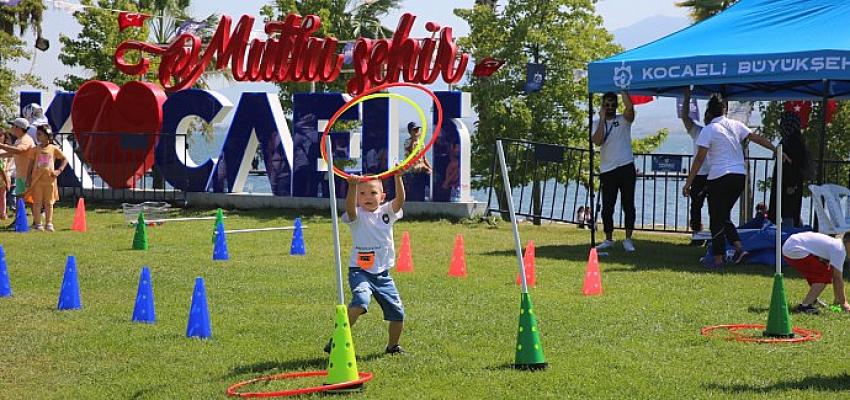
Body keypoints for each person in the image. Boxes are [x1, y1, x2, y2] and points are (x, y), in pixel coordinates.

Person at [683, 94, 787, 268]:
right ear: (724, 109)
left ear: (709, 112)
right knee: (723, 216)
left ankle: (718, 259)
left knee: (716, 219)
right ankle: (740, 249)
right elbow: (757, 138)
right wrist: (776, 150)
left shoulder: (709, 129)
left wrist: (689, 182)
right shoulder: (736, 125)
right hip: (738, 176)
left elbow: (700, 159)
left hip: (719, 177)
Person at [324, 172, 407, 355]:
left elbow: (400, 200)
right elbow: (350, 208)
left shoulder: (387, 212)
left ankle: (393, 347)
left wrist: (398, 177)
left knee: (398, 313)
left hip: (382, 274)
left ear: (382, 196)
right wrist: (352, 186)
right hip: (359, 271)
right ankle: (337, 339)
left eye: (373, 193)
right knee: (361, 301)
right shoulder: (356, 215)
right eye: (362, 194)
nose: (367, 197)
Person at [592, 91, 636, 252]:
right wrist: (602, 119)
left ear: (617, 105)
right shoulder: (597, 122)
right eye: (607, 104)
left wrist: (622, 89)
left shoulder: (623, 120)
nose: (610, 107)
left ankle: (628, 239)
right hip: (608, 169)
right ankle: (608, 239)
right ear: (602, 106)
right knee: (607, 207)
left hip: (626, 166)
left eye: (612, 104)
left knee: (628, 204)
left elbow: (630, 109)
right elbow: (597, 141)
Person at [782, 231, 850, 314]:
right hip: (794, 249)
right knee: (824, 275)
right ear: (848, 243)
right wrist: (843, 303)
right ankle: (805, 306)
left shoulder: (837, 244)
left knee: (821, 271)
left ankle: (812, 299)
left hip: (791, 245)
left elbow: (835, 276)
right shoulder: (840, 250)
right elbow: (837, 278)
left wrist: (838, 300)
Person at [768, 112, 810, 228]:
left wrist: (792, 184)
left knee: (788, 212)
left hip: (790, 183)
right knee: (786, 211)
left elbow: (796, 164)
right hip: (785, 181)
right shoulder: (789, 139)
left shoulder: (794, 141)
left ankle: (788, 235)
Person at [24, 125, 67, 231]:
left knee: (49, 203)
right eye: (37, 134)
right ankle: (38, 224)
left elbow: (64, 159)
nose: (37, 136)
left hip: (50, 181)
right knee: (37, 202)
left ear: (47, 135)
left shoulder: (53, 148)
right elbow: (30, 165)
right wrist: (28, 178)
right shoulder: (35, 149)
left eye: (40, 134)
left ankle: (49, 223)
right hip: (37, 180)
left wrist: (59, 170)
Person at [681, 88, 709, 237]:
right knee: (696, 206)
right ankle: (697, 233)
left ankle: (717, 235)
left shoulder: (719, 132)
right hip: (700, 175)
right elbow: (685, 118)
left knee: (716, 207)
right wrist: (687, 98)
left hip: (715, 174)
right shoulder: (698, 131)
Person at [403, 121, 432, 201]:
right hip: (411, 167)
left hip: (420, 166)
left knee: (429, 174)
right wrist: (413, 140)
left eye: (417, 130)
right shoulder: (407, 142)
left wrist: (430, 168)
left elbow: (423, 158)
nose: (416, 132)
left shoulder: (421, 143)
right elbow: (411, 152)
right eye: (414, 130)